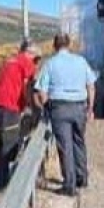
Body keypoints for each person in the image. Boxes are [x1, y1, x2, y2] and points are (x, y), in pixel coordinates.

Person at [33, 33, 97, 197]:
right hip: (79, 108)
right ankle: (82, 178)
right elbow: (91, 85)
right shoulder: (81, 61)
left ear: (54, 46)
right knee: (79, 142)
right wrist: (90, 108)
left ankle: (70, 185)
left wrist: (47, 106)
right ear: (68, 45)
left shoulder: (50, 63)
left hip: (59, 108)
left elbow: (41, 90)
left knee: (65, 147)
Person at [0, 40, 38, 191]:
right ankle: (4, 185)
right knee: (9, 145)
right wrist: (33, 108)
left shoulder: (11, 60)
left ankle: (0, 180)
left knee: (0, 142)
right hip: (8, 106)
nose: (36, 62)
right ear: (30, 53)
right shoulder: (26, 62)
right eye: (35, 58)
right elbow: (30, 88)